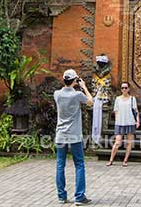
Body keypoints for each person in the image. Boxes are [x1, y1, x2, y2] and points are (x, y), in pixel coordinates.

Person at [54, 69, 93, 205]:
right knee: (79, 164)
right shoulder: (77, 95)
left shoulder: (57, 94)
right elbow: (90, 101)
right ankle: (79, 196)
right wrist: (84, 87)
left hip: (60, 135)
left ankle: (61, 196)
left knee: (60, 165)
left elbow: (63, 90)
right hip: (74, 135)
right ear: (75, 80)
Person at [107, 82, 140, 167]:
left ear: (128, 89)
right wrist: (116, 122)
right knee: (117, 142)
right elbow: (116, 111)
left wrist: (137, 120)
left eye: (126, 88)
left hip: (130, 122)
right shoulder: (118, 99)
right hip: (120, 122)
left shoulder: (132, 99)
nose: (124, 89)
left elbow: (136, 111)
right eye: (122, 88)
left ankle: (125, 160)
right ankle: (111, 159)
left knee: (129, 142)